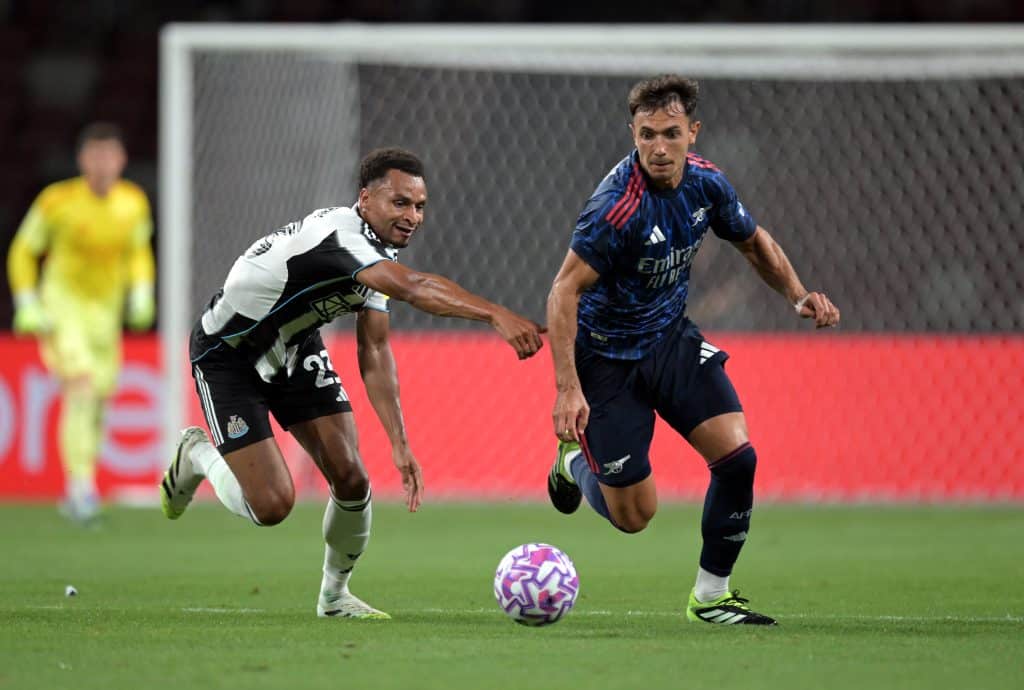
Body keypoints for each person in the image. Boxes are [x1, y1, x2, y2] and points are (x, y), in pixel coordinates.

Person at [161, 147, 545, 619]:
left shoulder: (378, 255)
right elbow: (416, 287)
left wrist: (399, 444)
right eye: (400, 203)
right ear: (365, 199)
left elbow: (375, 350)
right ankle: (196, 453)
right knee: (272, 505)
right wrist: (495, 314)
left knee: (351, 475)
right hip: (229, 355)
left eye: (420, 206)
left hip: (294, 346)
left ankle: (334, 596)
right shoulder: (339, 237)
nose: (412, 216)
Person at [545, 75, 840, 626]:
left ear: (693, 133)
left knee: (737, 457)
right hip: (608, 360)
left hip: (670, 340)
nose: (659, 147)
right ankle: (572, 464)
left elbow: (753, 241)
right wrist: (568, 387)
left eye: (672, 134)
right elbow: (562, 291)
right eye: (648, 134)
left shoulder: (707, 184)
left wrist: (798, 295)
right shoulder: (614, 208)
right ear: (633, 133)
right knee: (635, 516)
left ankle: (711, 596)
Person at [6, 122, 156, 523]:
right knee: (82, 385)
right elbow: (23, 250)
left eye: (110, 156)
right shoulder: (57, 201)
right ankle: (80, 487)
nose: (103, 164)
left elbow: (138, 251)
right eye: (95, 156)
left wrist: (141, 291)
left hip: (104, 313)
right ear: (82, 160)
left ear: (122, 160)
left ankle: (80, 486)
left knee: (101, 398)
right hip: (63, 304)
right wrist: (27, 301)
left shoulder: (133, 202)